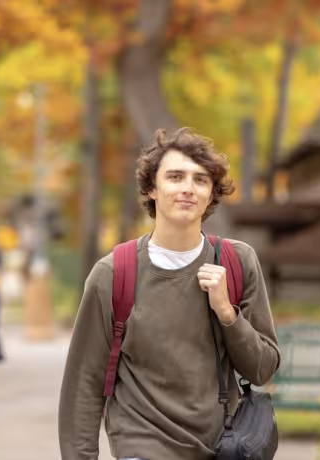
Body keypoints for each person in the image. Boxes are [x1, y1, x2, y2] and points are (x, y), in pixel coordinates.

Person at [58, 128, 281, 460]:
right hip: (142, 445)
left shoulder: (238, 263)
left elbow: (262, 369)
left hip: (221, 446)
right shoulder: (113, 274)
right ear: (152, 188)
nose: (188, 188)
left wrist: (227, 314)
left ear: (211, 194)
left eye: (200, 180)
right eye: (175, 177)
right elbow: (84, 384)